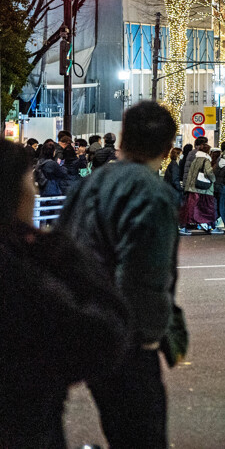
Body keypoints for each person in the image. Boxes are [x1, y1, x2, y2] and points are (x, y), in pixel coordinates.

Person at [54, 101, 187, 449]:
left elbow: (63, 249)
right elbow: (144, 273)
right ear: (168, 148)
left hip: (89, 325)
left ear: (123, 139)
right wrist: (147, 335)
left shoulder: (91, 183)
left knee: (117, 426)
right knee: (142, 434)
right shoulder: (151, 193)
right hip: (125, 336)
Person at [0, 139, 131, 449]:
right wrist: (67, 258)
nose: (33, 191)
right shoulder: (21, 268)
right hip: (26, 429)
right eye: (29, 182)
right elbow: (103, 336)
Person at [182, 141, 218, 235]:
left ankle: (185, 226)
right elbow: (208, 173)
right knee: (207, 207)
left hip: (192, 186)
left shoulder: (195, 159)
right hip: (202, 188)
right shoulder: (205, 160)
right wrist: (213, 179)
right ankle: (207, 224)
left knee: (190, 206)